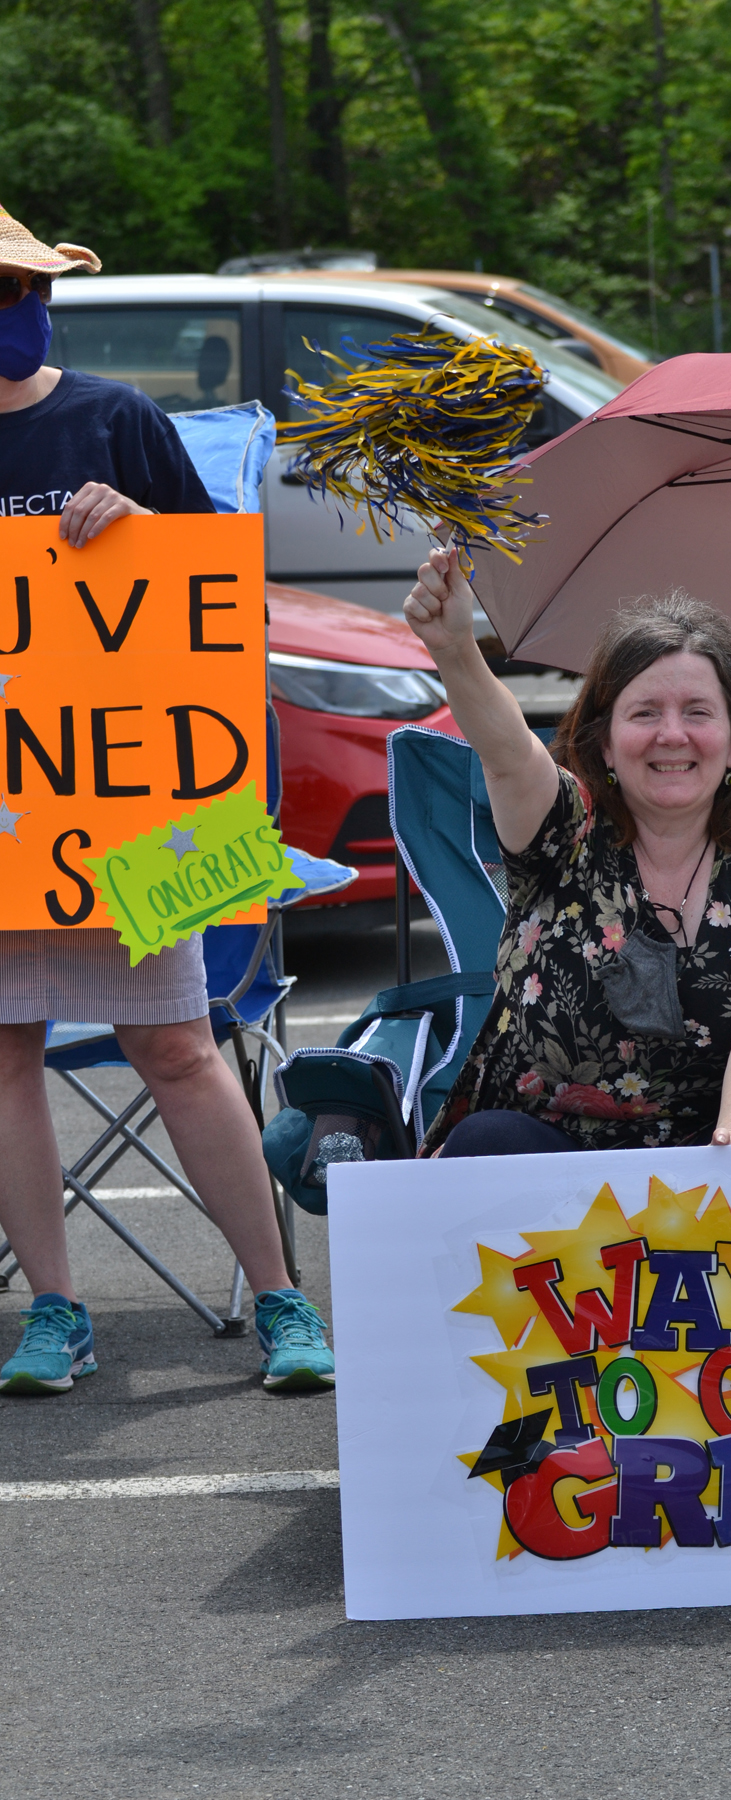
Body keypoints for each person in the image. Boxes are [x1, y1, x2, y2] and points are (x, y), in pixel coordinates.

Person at [0, 204, 333, 1395]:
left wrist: (137, 528)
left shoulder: (115, 419)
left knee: (180, 1048)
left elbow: (212, 595)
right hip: (5, 823)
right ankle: (55, 1310)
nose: (15, 313)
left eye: (21, 288)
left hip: (136, 811)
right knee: (3, 1058)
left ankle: (283, 1301)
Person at [403, 545, 731, 1156]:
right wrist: (455, 650)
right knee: (488, 1141)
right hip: (551, 1152)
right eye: (644, 713)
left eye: (698, 711)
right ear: (606, 746)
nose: (672, 734)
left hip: (718, 1144)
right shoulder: (563, 832)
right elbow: (508, 754)